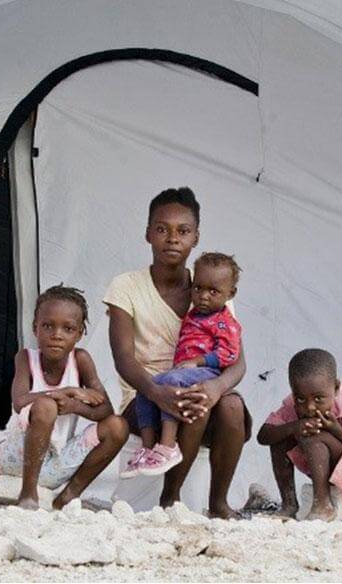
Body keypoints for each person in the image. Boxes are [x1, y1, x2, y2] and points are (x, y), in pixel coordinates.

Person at [104, 187, 251, 519]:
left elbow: (237, 361)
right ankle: (170, 499)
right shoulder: (125, 286)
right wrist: (158, 393)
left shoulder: (214, 286)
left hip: (195, 389)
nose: (172, 239)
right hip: (143, 397)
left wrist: (215, 388)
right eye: (162, 229)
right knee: (189, 398)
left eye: (183, 231)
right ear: (147, 234)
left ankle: (218, 503)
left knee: (228, 403)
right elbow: (123, 359)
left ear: (196, 237)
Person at [0, 285, 129, 510]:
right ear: (35, 328)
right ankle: (28, 494)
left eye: (68, 329)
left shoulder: (81, 360)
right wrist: (65, 393)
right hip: (17, 460)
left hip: (56, 465)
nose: (56, 335)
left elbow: (106, 411)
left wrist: (75, 405)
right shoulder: (26, 358)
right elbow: (19, 402)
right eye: (48, 326)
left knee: (118, 426)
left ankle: (66, 497)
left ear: (79, 334)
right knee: (45, 406)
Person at [120, 252, 242, 478]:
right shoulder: (195, 314)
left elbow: (230, 354)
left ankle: (167, 447)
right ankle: (147, 450)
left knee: (172, 383)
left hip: (206, 372)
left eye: (213, 292)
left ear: (230, 294)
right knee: (147, 388)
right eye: (198, 289)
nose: (204, 296)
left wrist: (198, 361)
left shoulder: (225, 321)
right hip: (185, 371)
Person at [256, 348, 342, 520]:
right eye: (300, 399)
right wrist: (294, 427)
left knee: (313, 436)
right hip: (334, 468)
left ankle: (322, 505)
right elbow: (263, 436)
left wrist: (335, 429)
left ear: (335, 388)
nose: (310, 407)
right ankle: (289, 504)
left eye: (319, 399)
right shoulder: (295, 404)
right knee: (280, 437)